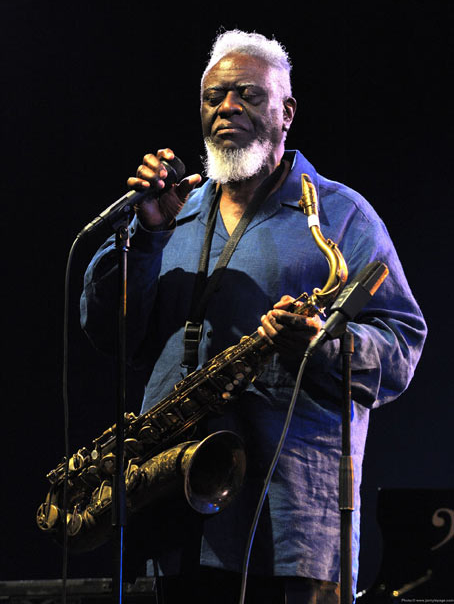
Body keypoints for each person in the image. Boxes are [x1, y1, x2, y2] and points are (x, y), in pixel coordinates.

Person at [81, 30, 427, 603]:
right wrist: (143, 235)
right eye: (214, 98)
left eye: (246, 94)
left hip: (289, 522)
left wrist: (323, 343)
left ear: (286, 111)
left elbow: (402, 345)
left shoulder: (341, 216)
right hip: (175, 517)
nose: (227, 108)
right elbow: (108, 332)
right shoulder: (173, 211)